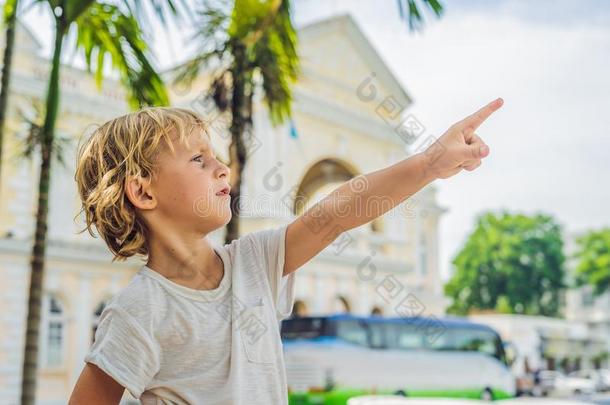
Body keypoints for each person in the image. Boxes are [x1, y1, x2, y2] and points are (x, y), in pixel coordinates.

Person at [68, 98, 503, 404]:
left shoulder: (253, 263)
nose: (223, 168)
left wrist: (429, 163)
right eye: (199, 160)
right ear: (143, 192)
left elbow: (336, 212)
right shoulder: (139, 310)